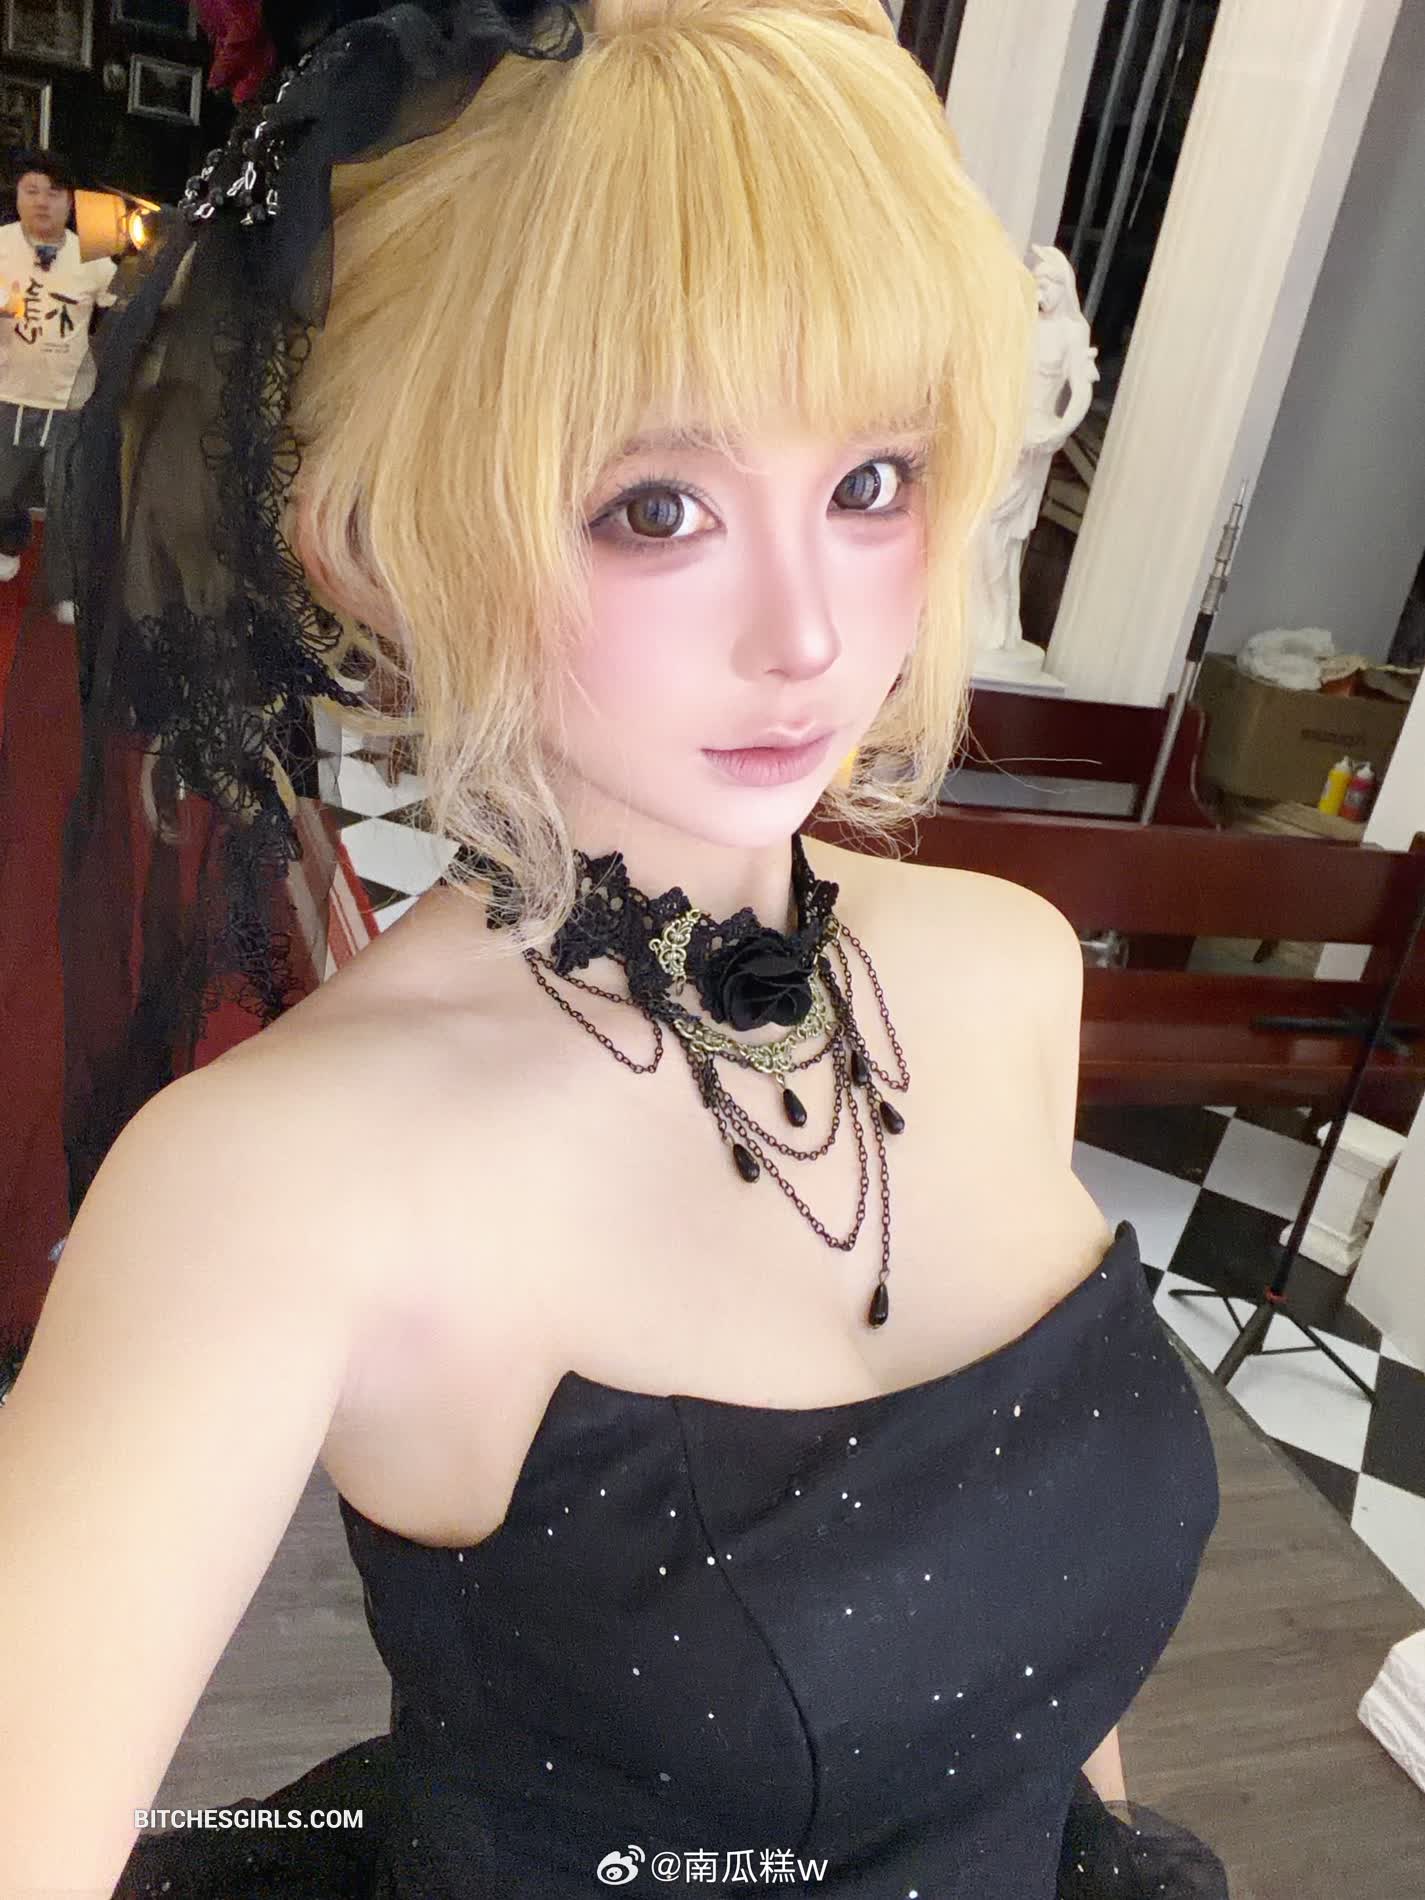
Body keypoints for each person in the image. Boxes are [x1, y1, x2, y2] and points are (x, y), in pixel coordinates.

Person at [0, 0, 1230, 1895]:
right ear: (376, 541)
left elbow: (1034, 1667)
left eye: (872, 483)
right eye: (655, 508)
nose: (809, 637)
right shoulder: (281, 1183)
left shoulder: (1003, 973)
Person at [0, 148, 118, 621]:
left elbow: (119, 308)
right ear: (17, 196)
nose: (42, 201)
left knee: (67, 498)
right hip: (8, 391)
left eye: (54, 192)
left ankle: (67, 587)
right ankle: (9, 540)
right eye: (32, 190)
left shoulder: (95, 251)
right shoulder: (1, 244)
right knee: (3, 488)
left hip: (71, 398)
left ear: (71, 201)